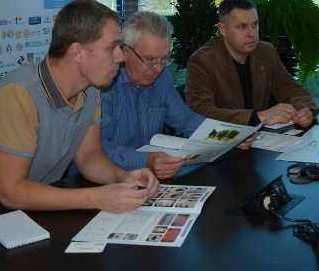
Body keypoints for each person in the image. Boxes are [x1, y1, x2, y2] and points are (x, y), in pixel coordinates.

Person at [0, 0, 159, 226]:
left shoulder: (90, 89)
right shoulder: (19, 94)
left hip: (28, 218)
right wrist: (98, 197)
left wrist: (122, 177)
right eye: (111, 48)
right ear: (78, 52)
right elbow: (10, 192)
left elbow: (88, 156)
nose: (120, 58)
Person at [100, 11, 254, 180]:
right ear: (125, 51)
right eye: (150, 59)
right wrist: (145, 160)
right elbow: (99, 146)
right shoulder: (104, 83)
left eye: (164, 59)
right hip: (105, 178)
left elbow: (185, 119)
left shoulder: (161, 78)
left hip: (151, 176)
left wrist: (230, 136)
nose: (158, 68)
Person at [185, 0, 319, 126]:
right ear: (223, 29)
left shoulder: (265, 52)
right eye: (242, 27)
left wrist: (305, 109)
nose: (252, 34)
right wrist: (258, 117)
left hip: (256, 140)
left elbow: (291, 89)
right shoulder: (203, 60)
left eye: (254, 24)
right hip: (218, 142)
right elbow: (200, 111)